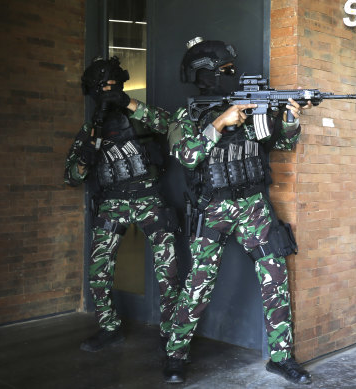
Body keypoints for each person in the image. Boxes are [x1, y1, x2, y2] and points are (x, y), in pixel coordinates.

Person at [162, 37, 312, 385]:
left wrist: (290, 118)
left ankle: (282, 357)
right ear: (205, 73)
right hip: (211, 206)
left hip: (254, 205)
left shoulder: (250, 109)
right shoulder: (185, 115)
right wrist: (219, 123)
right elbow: (186, 156)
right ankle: (175, 354)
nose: (231, 75)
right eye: (224, 70)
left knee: (275, 277)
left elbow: (284, 144)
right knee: (198, 284)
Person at [64, 56, 180, 353]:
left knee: (168, 270)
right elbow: (71, 178)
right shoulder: (91, 129)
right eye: (103, 87)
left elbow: (171, 125)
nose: (109, 91)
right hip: (112, 202)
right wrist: (84, 160)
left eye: (114, 85)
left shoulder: (139, 114)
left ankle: (172, 332)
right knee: (98, 270)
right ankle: (109, 327)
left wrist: (129, 103)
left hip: (148, 198)